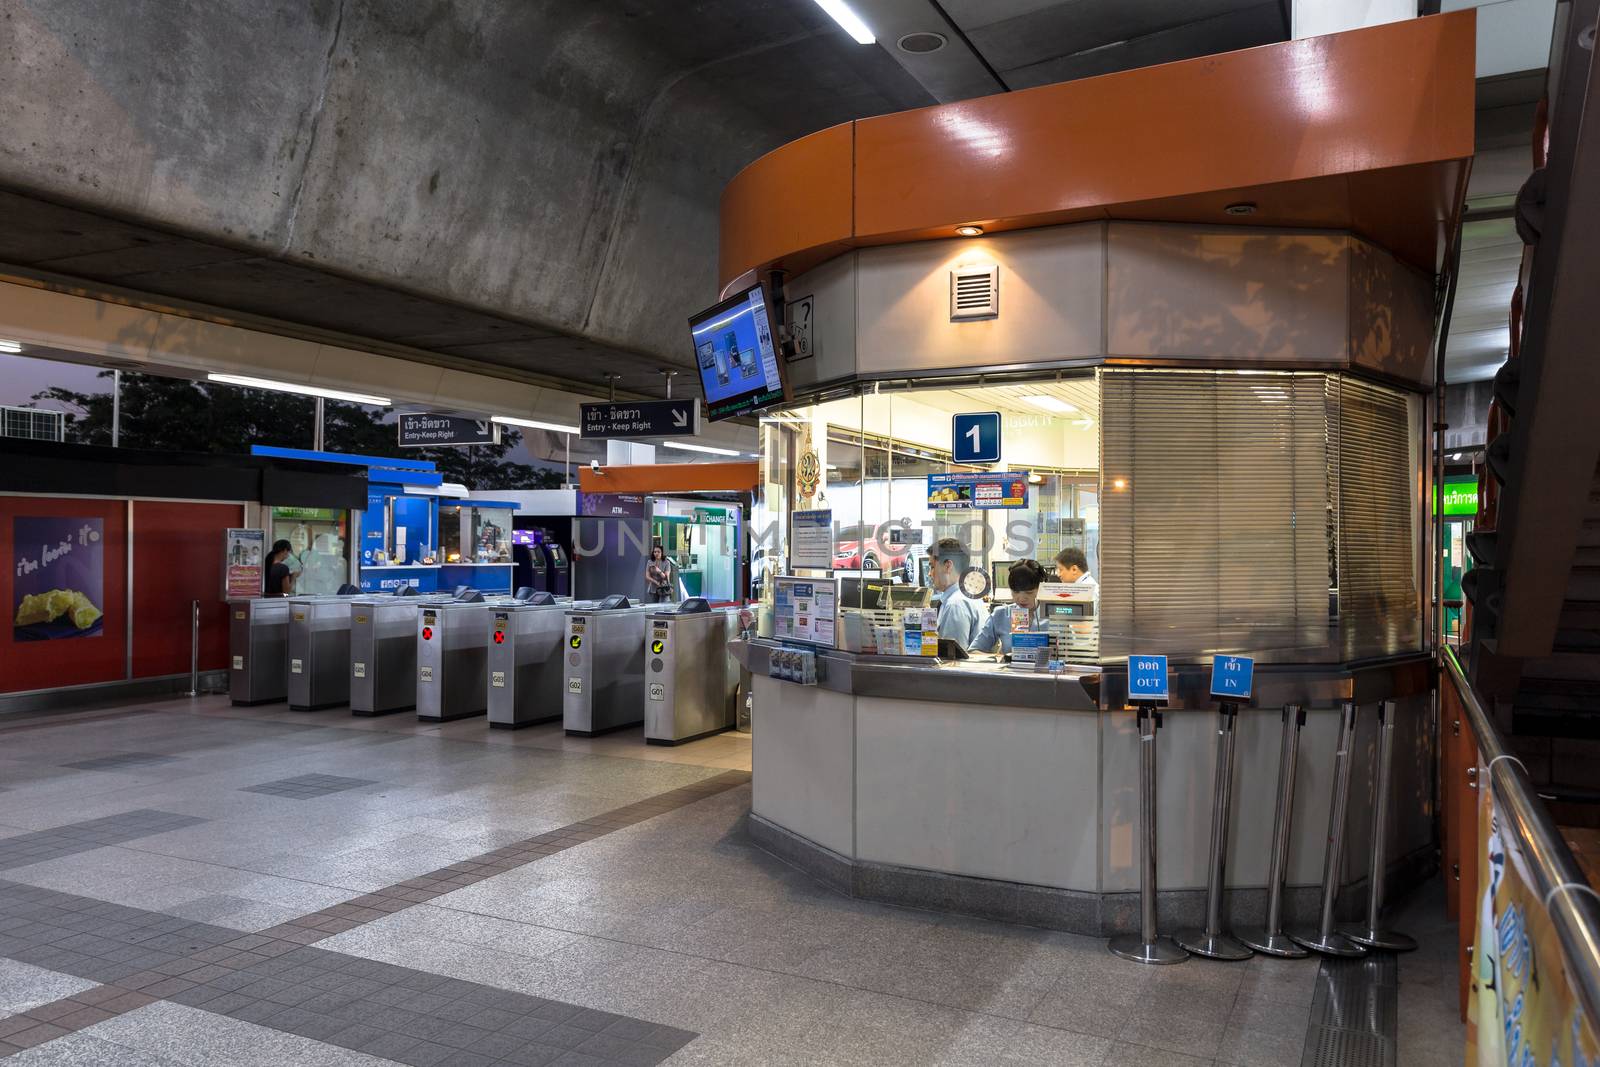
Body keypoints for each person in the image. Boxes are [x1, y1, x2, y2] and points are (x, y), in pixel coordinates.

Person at [970, 559, 1047, 654]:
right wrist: (999, 660)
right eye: (1016, 592)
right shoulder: (1001, 615)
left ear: (1041, 588)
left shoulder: (1053, 616)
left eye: (1029, 592)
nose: (1021, 598)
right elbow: (974, 650)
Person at [928, 537, 983, 649]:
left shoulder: (955, 604)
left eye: (932, 567)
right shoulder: (968, 595)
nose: (929, 574)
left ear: (948, 566)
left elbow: (953, 657)